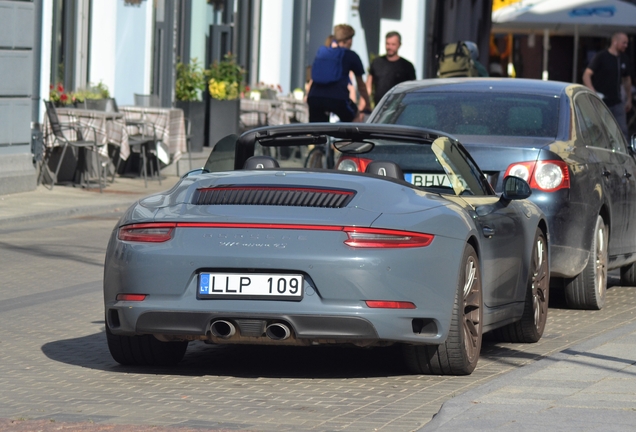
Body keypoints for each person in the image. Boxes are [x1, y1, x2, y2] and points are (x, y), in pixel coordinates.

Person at [307, 24, 371, 123]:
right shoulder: (351, 55)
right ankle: (352, 138)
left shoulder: (323, 52)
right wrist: (367, 104)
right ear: (349, 40)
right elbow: (361, 86)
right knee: (355, 119)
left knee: (317, 131)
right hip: (337, 98)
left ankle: (316, 138)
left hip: (315, 97)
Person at [583, 32, 633, 139]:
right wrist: (592, 91)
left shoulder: (624, 59)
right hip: (602, 101)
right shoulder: (602, 56)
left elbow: (626, 79)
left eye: (627, 43)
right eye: (624, 43)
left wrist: (629, 98)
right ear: (615, 42)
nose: (626, 46)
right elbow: (587, 75)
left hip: (617, 101)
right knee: (600, 129)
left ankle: (625, 154)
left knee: (621, 130)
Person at [366, 31, 416, 107]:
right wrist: (366, 103)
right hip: (379, 107)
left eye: (393, 44)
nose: (390, 47)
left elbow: (412, 89)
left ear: (399, 45)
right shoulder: (377, 62)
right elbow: (369, 84)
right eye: (387, 44)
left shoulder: (407, 66)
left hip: (399, 107)